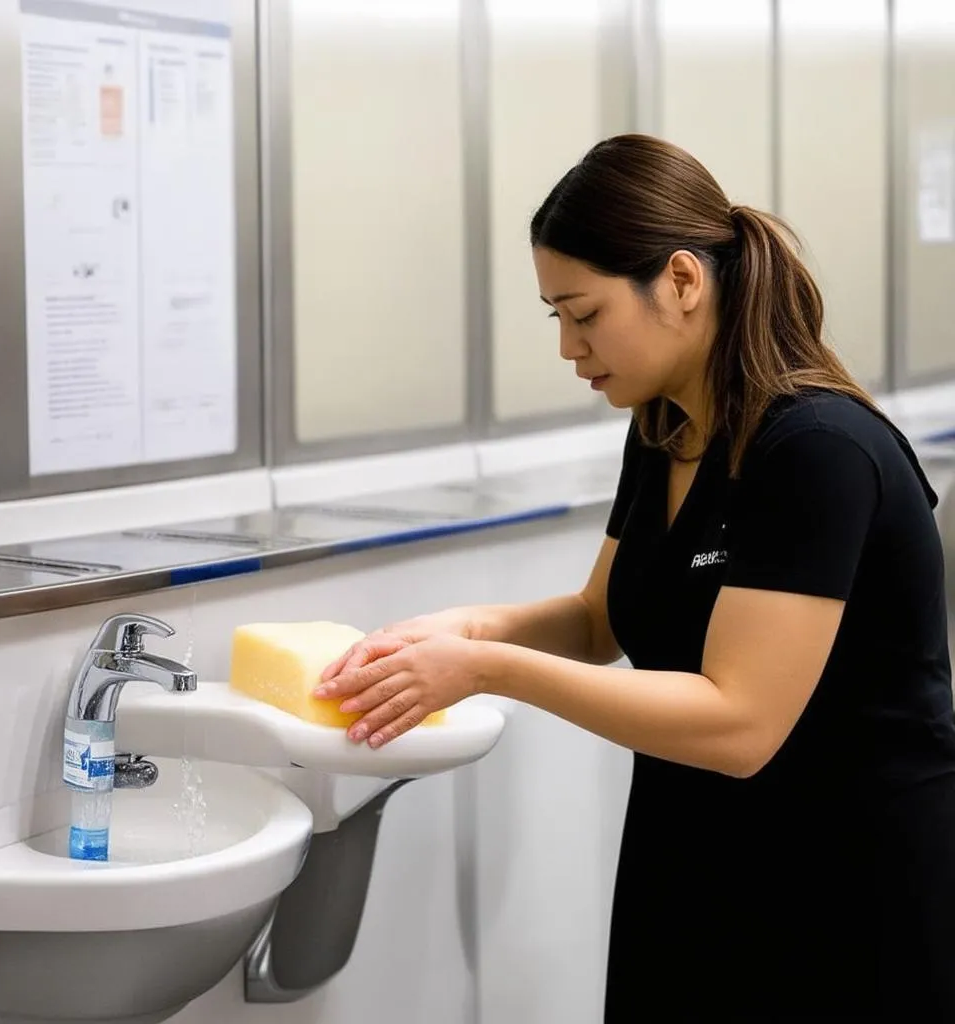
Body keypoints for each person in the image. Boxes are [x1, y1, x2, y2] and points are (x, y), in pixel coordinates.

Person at [313, 134, 955, 1021]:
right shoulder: (666, 426)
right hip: (698, 857)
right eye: (556, 318)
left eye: (585, 313)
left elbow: (740, 723)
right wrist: (466, 630)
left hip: (844, 886)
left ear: (683, 283)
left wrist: (490, 671)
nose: (571, 347)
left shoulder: (818, 452)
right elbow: (598, 619)